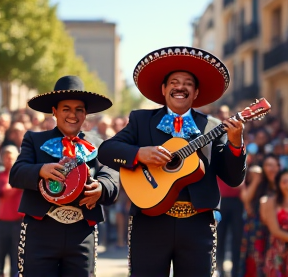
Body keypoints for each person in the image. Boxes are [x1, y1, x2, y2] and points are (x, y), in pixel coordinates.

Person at [98, 46, 247, 277]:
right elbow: (106, 151)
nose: (181, 87)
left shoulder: (212, 126)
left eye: (188, 83)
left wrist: (236, 144)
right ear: (164, 89)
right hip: (149, 222)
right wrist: (139, 154)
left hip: (197, 225)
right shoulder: (141, 120)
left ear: (196, 92)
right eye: (174, 82)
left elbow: (234, 178)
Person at [9, 75, 119, 277]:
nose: (73, 115)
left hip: (81, 234)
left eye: (79, 110)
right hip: (40, 231)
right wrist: (40, 169)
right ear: (55, 111)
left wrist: (102, 187)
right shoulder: (34, 139)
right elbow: (16, 174)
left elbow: (112, 178)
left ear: (85, 114)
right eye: (66, 109)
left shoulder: (99, 144)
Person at [239, 153, 280, 277]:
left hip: (276, 231)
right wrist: (256, 179)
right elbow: (245, 198)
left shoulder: (283, 183)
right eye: (268, 165)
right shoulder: (260, 184)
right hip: (257, 231)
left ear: (279, 167)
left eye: (274, 165)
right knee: (254, 265)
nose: (271, 169)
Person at [215, 105, 244, 277]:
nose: (223, 117)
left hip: (237, 200)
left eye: (226, 115)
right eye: (221, 114)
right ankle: (218, 268)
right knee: (219, 237)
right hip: (219, 200)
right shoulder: (211, 136)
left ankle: (235, 271)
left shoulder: (237, 138)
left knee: (236, 238)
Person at [260, 169, 288, 276]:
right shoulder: (271, 202)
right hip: (277, 252)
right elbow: (274, 230)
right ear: (278, 184)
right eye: (284, 181)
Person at [0, 145, 22, 277]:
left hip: (18, 222)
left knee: (17, 256)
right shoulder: (1, 176)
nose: (8, 159)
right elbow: (5, 192)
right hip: (3, 222)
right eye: (6, 157)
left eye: (11, 157)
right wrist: (19, 183)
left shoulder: (21, 174)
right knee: (1, 254)